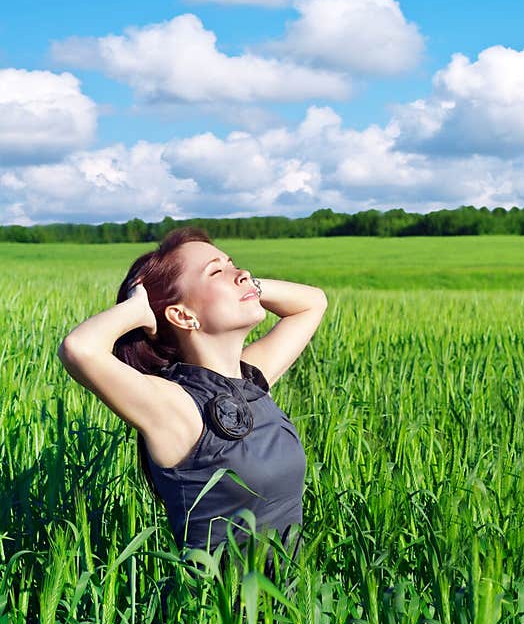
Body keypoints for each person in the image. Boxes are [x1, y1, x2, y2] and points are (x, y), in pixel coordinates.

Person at [57, 226, 328, 564]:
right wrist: (140, 309)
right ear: (183, 315)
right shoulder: (176, 407)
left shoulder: (252, 379)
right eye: (216, 271)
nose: (241, 273)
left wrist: (246, 286)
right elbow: (79, 349)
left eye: (232, 264)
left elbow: (312, 303)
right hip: (224, 612)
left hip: (291, 605)